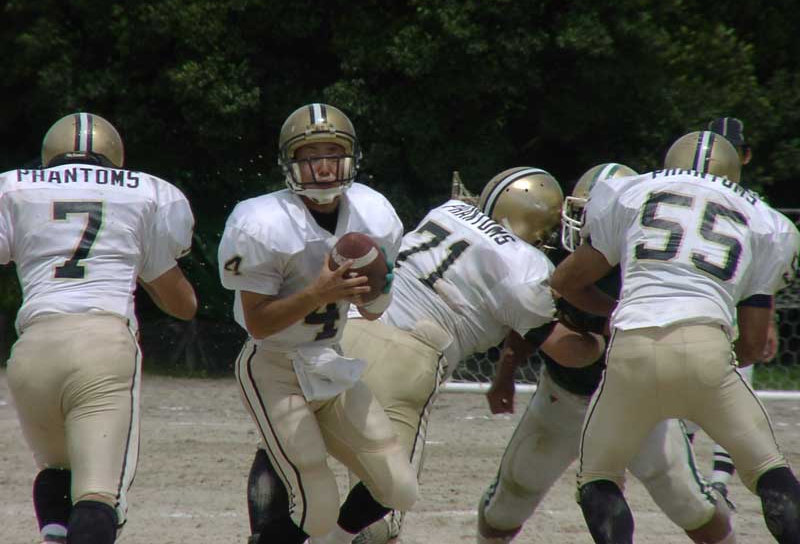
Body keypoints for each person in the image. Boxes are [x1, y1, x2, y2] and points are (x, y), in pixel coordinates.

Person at [245, 166, 598, 544]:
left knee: (285, 449)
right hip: (407, 360)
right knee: (387, 502)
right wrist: (601, 340)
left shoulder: (448, 211)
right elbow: (565, 351)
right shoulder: (528, 265)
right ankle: (336, 539)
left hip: (345, 330)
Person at [551, 131, 800, 544]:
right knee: (769, 471)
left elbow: (565, 281)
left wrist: (614, 311)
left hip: (632, 347)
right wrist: (710, 366)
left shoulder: (632, 191)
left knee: (597, 476)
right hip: (707, 347)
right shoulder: (765, 220)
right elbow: (754, 344)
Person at [477, 163, 736, 544]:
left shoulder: (653, 268)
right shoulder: (554, 250)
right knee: (504, 507)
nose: (587, 226)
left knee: (692, 506)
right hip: (563, 396)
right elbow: (528, 317)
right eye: (583, 213)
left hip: (638, 401)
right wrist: (506, 371)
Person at [218, 103, 417, 544]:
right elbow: (258, 323)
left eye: (333, 153)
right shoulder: (260, 221)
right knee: (316, 506)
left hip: (329, 362)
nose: (324, 166)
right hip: (273, 366)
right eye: (310, 156)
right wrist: (317, 294)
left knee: (399, 489)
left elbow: (372, 311)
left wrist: (375, 289)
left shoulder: (374, 211)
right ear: (289, 162)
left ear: (352, 158)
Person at [1, 112, 198, 544]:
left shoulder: (14, 187)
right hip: (103, 345)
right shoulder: (147, 192)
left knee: (57, 470)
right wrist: (139, 261)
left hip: (32, 350)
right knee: (98, 496)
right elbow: (182, 305)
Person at [695, 116, 778, 507]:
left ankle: (718, 483)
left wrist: (767, 320)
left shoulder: (756, 209)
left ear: (745, 156)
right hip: (699, 309)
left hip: (734, 315)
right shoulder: (753, 208)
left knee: (734, 402)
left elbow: (763, 274)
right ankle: (697, 482)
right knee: (688, 400)